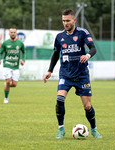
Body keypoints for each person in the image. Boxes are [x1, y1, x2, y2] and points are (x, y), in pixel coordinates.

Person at [43, 9, 102, 139]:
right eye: (63, 21)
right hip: (65, 74)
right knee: (59, 99)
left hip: (81, 75)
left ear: (74, 20)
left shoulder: (82, 33)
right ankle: (61, 129)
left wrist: (87, 55)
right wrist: (50, 70)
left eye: (68, 20)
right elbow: (55, 54)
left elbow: (93, 48)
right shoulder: (59, 37)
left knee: (87, 106)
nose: (65, 23)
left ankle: (93, 129)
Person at [0, 27, 26, 103]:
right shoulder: (5, 43)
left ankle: (6, 86)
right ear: (9, 33)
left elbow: (23, 52)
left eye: (14, 32)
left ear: (16, 33)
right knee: (8, 82)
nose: (13, 33)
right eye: (11, 32)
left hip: (16, 66)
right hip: (7, 64)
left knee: (14, 84)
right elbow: (0, 52)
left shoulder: (20, 43)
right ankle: (6, 98)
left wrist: (23, 60)